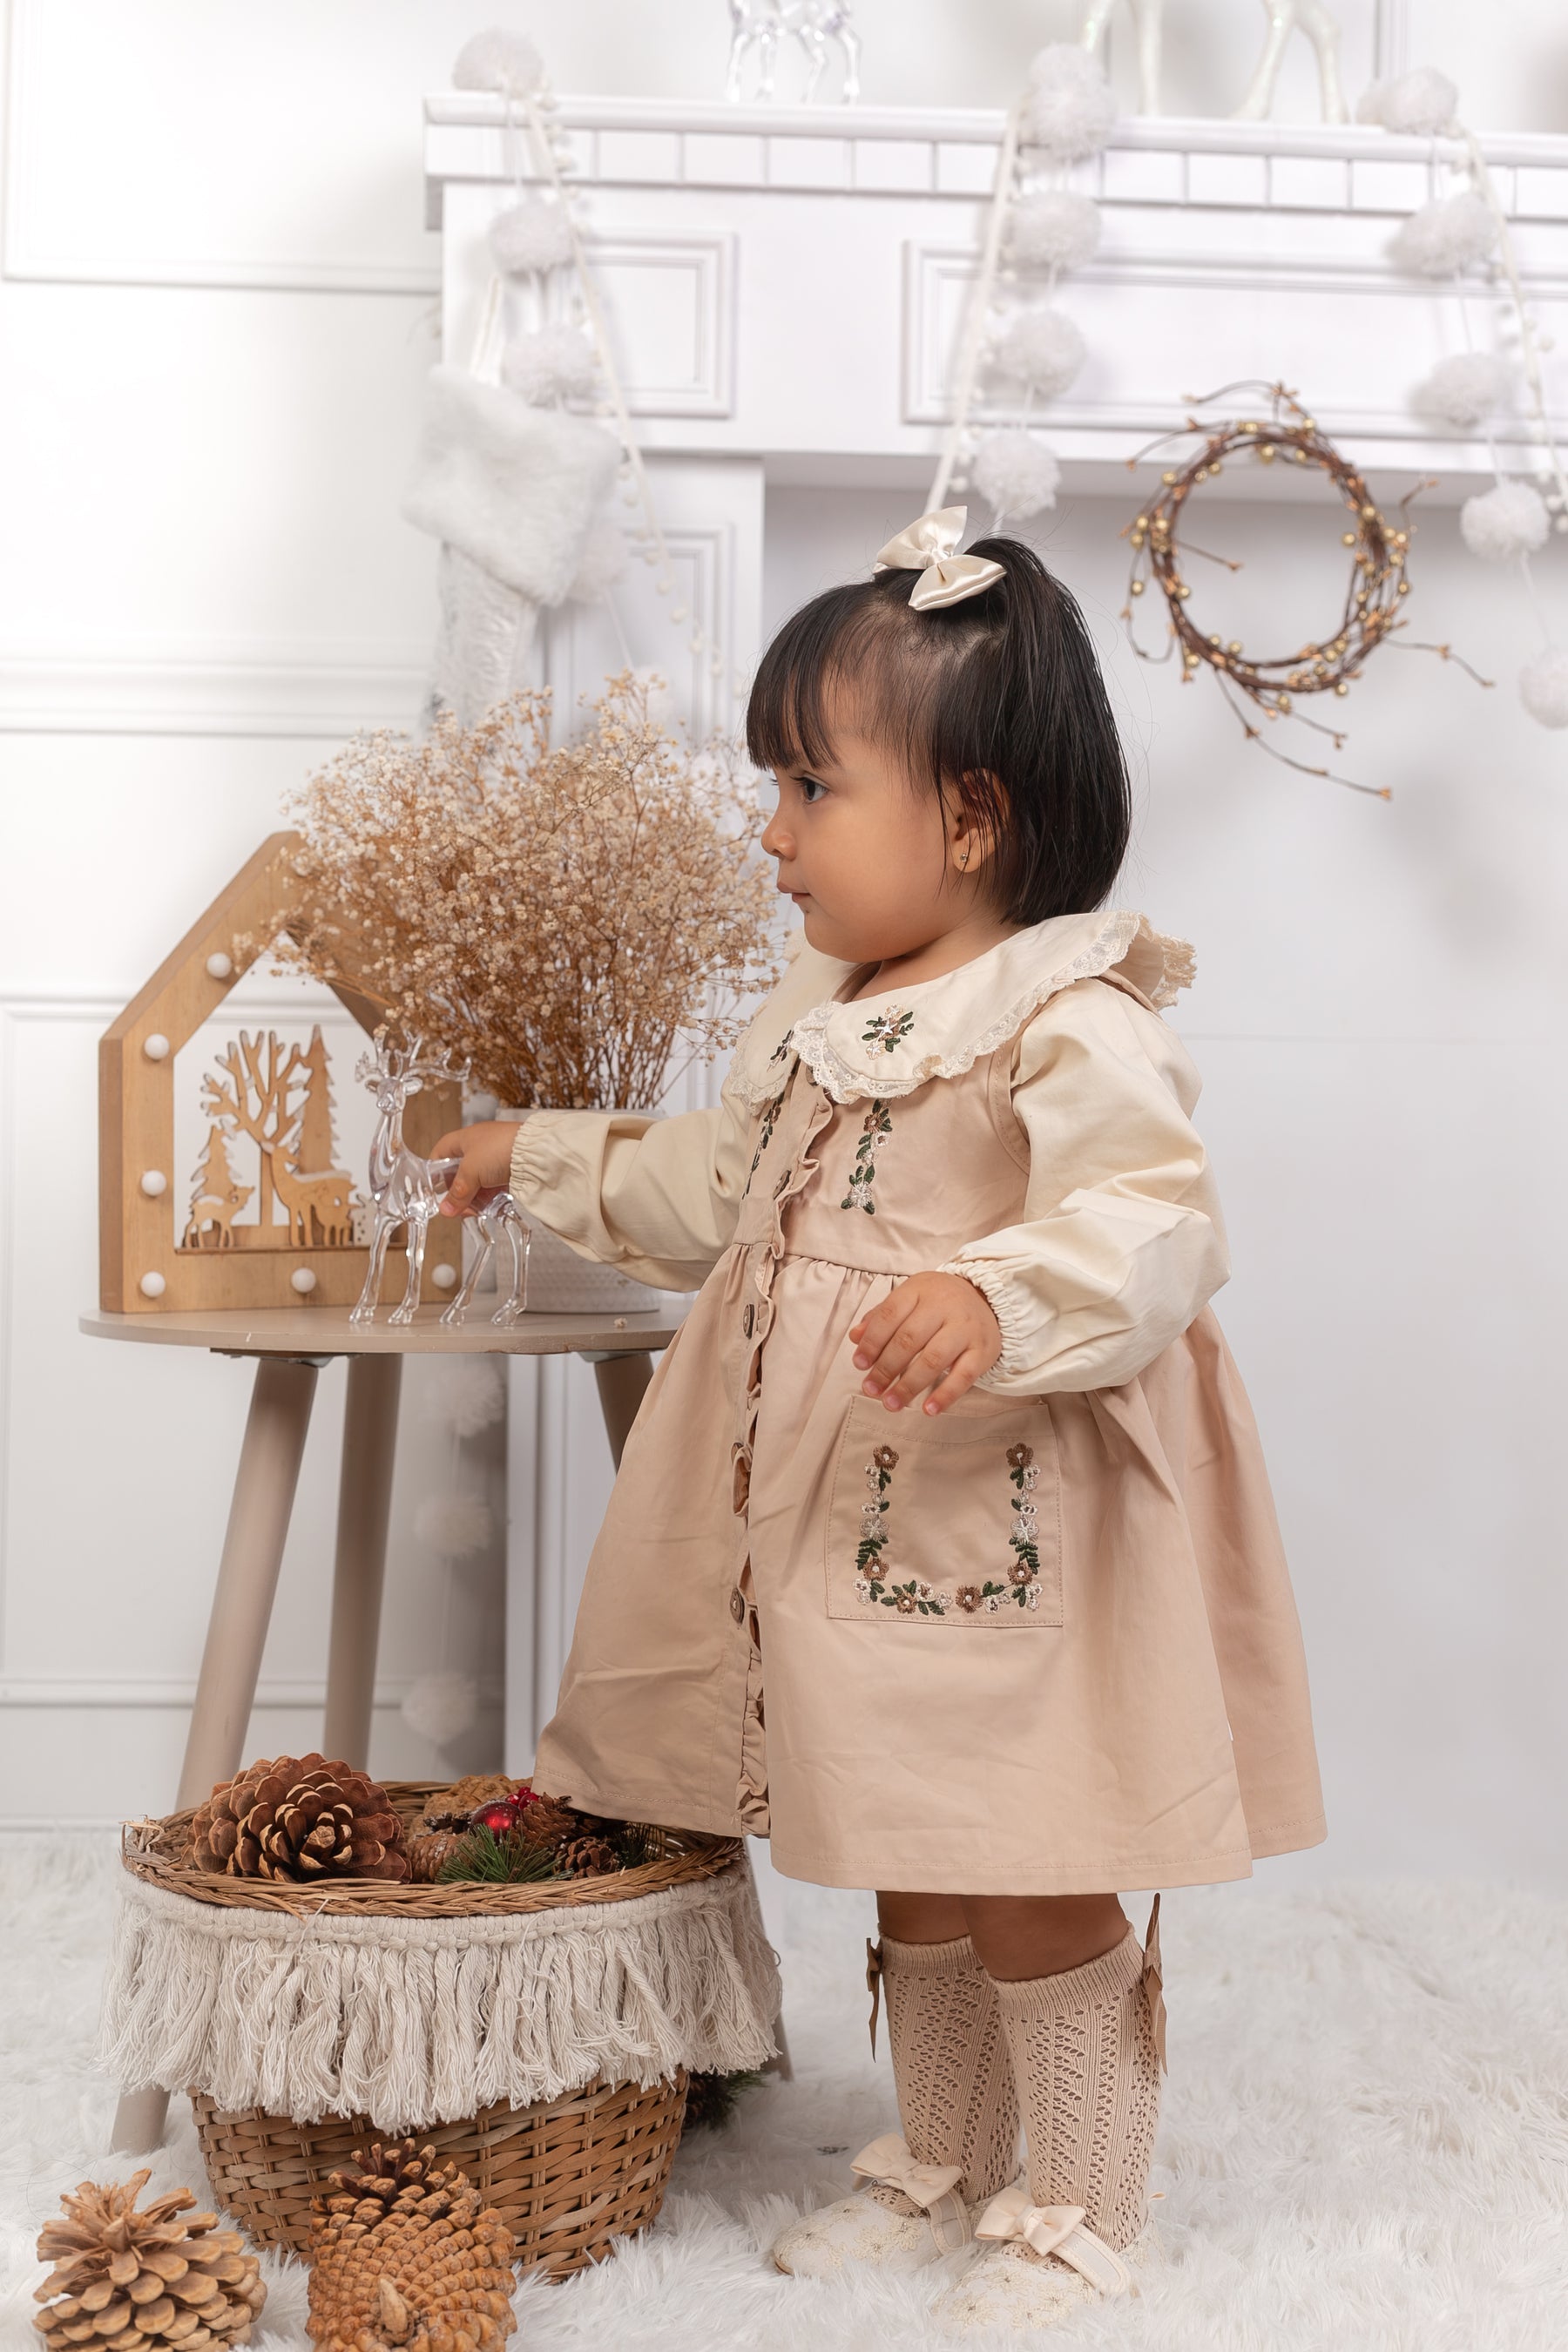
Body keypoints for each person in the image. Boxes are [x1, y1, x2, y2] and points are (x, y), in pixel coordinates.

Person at [434, 509, 1325, 2331]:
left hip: (1003, 1515)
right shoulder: (822, 1008)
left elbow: (1155, 1222)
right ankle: (947, 2158)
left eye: (811, 789)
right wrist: (541, 1154)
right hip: (843, 1521)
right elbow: (718, 1190)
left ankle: (1077, 2203)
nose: (774, 832)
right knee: (905, 1846)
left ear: (970, 819)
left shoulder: (1068, 1012)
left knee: (1030, 1859)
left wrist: (999, 1291)